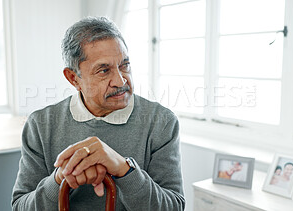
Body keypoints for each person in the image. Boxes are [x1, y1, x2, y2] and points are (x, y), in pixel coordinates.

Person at [11, 16, 185, 210]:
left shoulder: (161, 121)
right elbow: (20, 206)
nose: (120, 81)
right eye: (104, 70)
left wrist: (124, 170)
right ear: (73, 78)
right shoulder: (40, 124)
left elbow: (174, 207)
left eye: (124, 65)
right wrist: (60, 179)